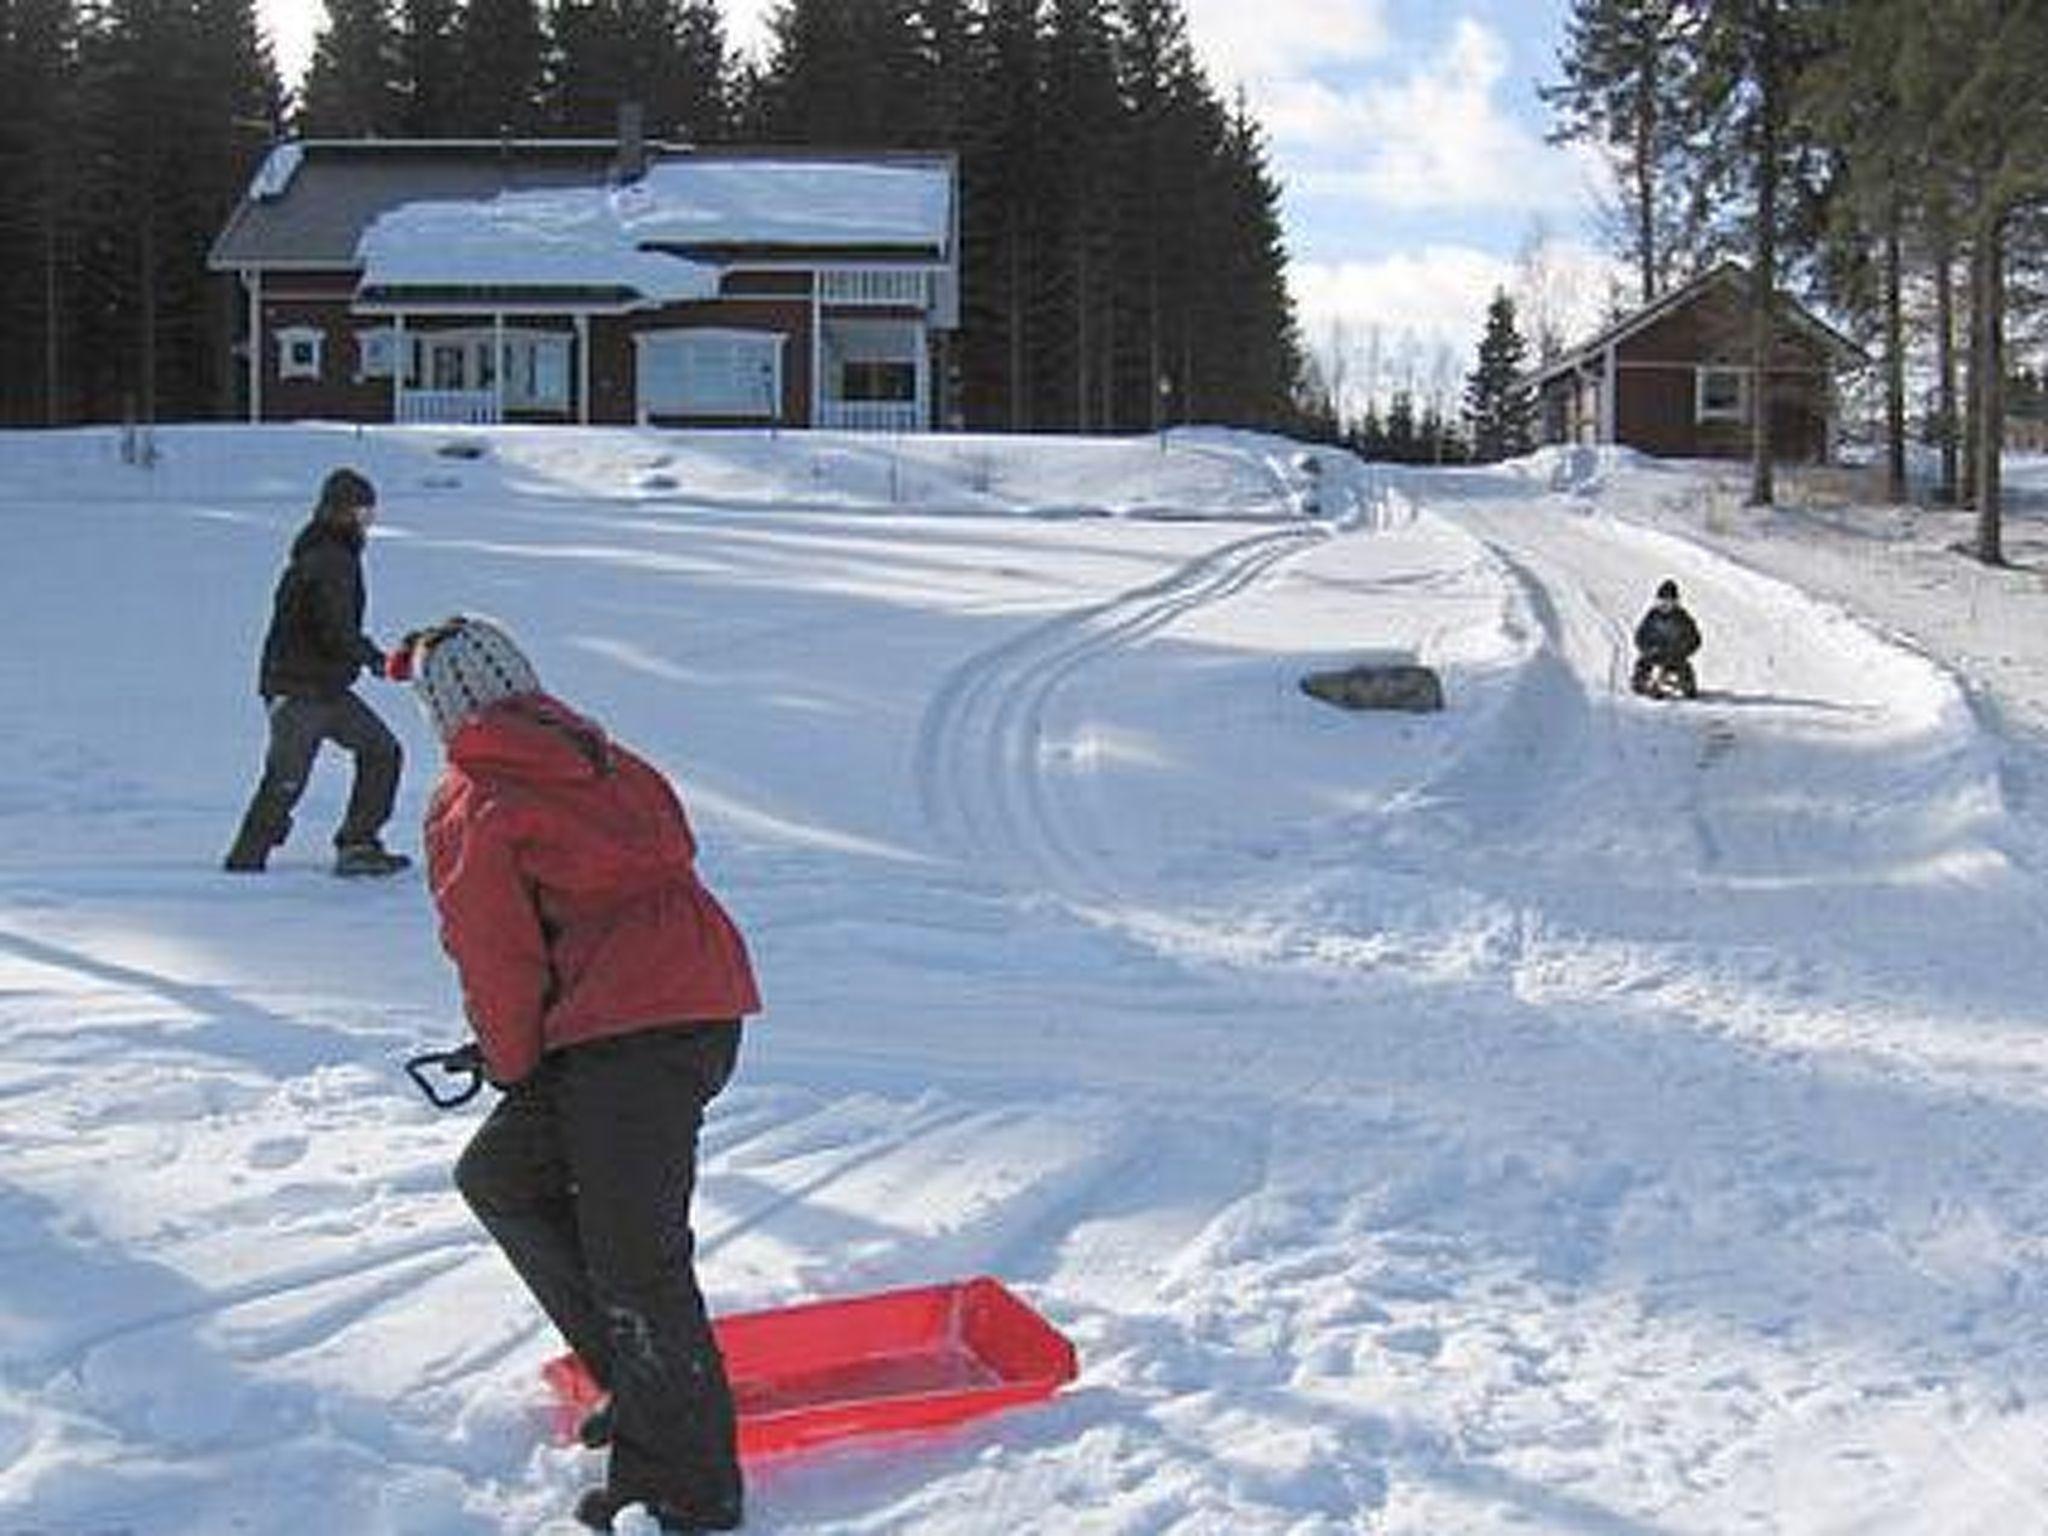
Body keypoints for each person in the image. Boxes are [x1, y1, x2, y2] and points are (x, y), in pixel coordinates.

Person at [401, 615, 760, 1536]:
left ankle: (687, 1486)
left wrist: (516, 1062)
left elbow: (495, 955)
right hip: (695, 1000)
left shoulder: (476, 793)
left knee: (635, 1255)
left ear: (443, 709)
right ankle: (646, 1392)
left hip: (633, 1028)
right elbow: (666, 857)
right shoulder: (603, 754)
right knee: (504, 1175)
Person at [224, 467, 409, 876]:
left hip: (320, 685)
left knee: (380, 750)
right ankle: (245, 864)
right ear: (338, 512)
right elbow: (335, 628)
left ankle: (358, 845)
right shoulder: (330, 559)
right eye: (361, 513)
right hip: (300, 687)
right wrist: (377, 660)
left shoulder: (327, 553)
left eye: (368, 513)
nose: (366, 522)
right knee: (286, 778)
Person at [1631, 577, 1702, 699]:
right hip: (1655, 654)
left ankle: (1685, 686)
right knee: (1642, 664)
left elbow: (1695, 638)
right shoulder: (1653, 616)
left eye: (1669, 602)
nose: (1665, 606)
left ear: (1675, 602)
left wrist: (1683, 650)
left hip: (1675, 656)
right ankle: (1642, 683)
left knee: (1686, 671)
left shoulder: (1682, 618)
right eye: (1662, 602)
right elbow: (1640, 636)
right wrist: (1648, 648)